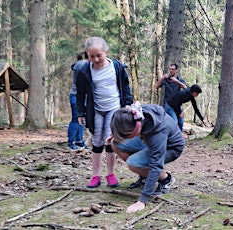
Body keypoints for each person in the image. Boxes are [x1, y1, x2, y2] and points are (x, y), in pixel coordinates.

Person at [76, 37, 133, 188]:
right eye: (91, 56)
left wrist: (128, 104)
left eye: (98, 55)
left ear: (106, 52)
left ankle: (110, 174)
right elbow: (80, 93)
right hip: (95, 110)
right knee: (97, 140)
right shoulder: (84, 71)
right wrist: (80, 113)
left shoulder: (117, 67)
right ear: (87, 55)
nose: (95, 59)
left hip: (114, 107)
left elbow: (126, 86)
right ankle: (95, 176)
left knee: (110, 140)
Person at [109, 102, 185, 213]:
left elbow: (156, 165)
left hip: (171, 147)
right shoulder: (137, 115)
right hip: (147, 138)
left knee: (133, 163)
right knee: (115, 144)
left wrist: (142, 200)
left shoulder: (157, 133)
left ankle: (165, 179)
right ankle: (144, 176)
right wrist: (116, 136)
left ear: (134, 130)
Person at [155, 63, 188, 129]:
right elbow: (156, 86)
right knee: (174, 121)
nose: (171, 71)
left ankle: (178, 137)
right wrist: (162, 78)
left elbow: (186, 88)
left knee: (181, 121)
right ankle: (172, 137)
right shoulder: (166, 79)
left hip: (177, 105)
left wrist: (176, 81)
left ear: (176, 70)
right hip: (168, 105)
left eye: (172, 69)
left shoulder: (179, 79)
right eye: (170, 69)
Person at [68, 52, 88, 150]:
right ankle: (71, 142)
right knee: (76, 119)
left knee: (82, 119)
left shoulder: (84, 64)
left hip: (84, 96)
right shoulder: (81, 65)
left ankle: (79, 141)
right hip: (76, 95)